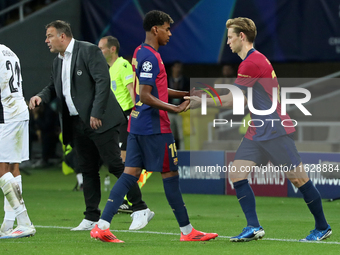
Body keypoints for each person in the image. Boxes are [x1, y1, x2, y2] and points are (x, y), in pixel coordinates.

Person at [186, 17, 331, 242]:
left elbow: (234, 100)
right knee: (236, 172)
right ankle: (253, 226)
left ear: (241, 37)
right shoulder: (253, 61)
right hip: (258, 130)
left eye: (230, 37)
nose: (228, 42)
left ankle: (322, 227)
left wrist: (202, 100)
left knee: (299, 179)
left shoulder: (251, 63)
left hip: (273, 129)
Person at [89, 10, 218, 243]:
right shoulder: (150, 57)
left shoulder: (140, 52)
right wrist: (175, 108)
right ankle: (188, 232)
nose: (170, 33)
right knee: (170, 174)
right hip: (155, 125)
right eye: (167, 29)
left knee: (129, 174)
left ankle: (102, 225)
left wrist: (184, 94)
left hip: (137, 124)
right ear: (155, 29)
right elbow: (145, 95)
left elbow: (155, 88)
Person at [29, 20, 153, 231]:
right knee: (87, 168)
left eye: (49, 36)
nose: (46, 40)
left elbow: (102, 81)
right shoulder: (57, 61)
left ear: (62, 36)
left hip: (100, 119)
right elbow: (53, 86)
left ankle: (141, 209)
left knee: (115, 164)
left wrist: (96, 112)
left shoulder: (88, 50)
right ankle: (91, 216)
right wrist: (40, 96)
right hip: (76, 122)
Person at [98, 35, 152, 214]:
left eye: (101, 48)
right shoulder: (109, 69)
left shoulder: (123, 65)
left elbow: (132, 91)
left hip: (126, 116)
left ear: (112, 49)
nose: (99, 52)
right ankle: (129, 198)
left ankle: (129, 199)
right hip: (115, 119)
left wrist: (136, 114)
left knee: (124, 161)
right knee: (123, 161)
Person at [0, 44, 36, 239]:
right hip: (19, 110)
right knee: (13, 168)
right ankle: (7, 224)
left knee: (1, 169)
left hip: (7, 114)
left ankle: (24, 222)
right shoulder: (9, 51)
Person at [167, 61, 190, 149]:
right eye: (176, 67)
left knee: (182, 134)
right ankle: (170, 152)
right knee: (169, 135)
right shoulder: (167, 81)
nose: (178, 69)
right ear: (172, 68)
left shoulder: (185, 81)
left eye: (179, 67)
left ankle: (183, 152)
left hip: (182, 112)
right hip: (169, 111)